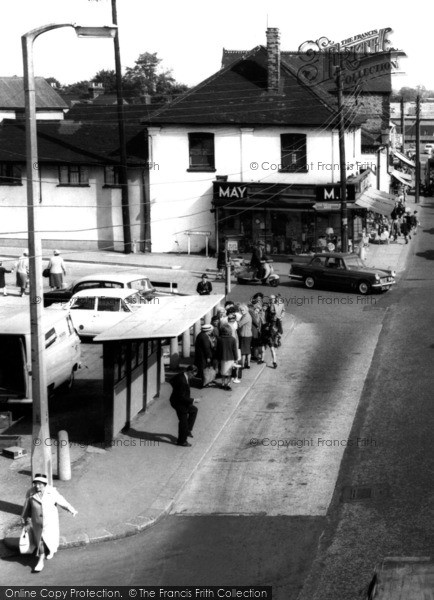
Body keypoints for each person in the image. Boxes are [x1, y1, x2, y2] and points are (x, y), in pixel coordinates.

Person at [21, 473, 77, 572]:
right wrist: (25, 520)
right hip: (37, 522)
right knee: (40, 540)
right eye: (36, 483)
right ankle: (40, 560)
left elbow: (62, 502)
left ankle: (51, 550)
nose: (37, 486)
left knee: (51, 538)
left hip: (50, 521)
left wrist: (71, 510)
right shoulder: (30, 493)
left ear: (45, 484)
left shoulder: (52, 492)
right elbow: (26, 508)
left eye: (40, 484)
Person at [169, 365, 198, 447]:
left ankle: (188, 430)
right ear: (189, 372)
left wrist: (176, 390)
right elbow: (181, 397)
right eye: (193, 375)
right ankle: (182, 441)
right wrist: (194, 400)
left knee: (193, 410)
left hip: (180, 401)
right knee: (183, 422)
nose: (193, 377)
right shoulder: (182, 381)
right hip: (179, 403)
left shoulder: (182, 375)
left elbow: (171, 380)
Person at [216, 324, 238, 391]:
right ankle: (228, 384)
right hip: (230, 358)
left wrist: (217, 358)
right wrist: (236, 358)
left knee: (223, 372)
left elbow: (218, 350)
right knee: (229, 373)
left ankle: (222, 383)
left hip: (222, 358)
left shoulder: (219, 339)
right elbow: (235, 350)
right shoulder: (233, 339)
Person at [238, 304, 253, 369]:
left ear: (246, 309)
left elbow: (240, 324)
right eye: (240, 310)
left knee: (243, 351)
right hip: (248, 335)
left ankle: (243, 365)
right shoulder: (246, 315)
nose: (241, 311)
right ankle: (248, 364)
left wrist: (237, 321)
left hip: (245, 335)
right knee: (247, 350)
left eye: (243, 310)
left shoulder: (246, 317)